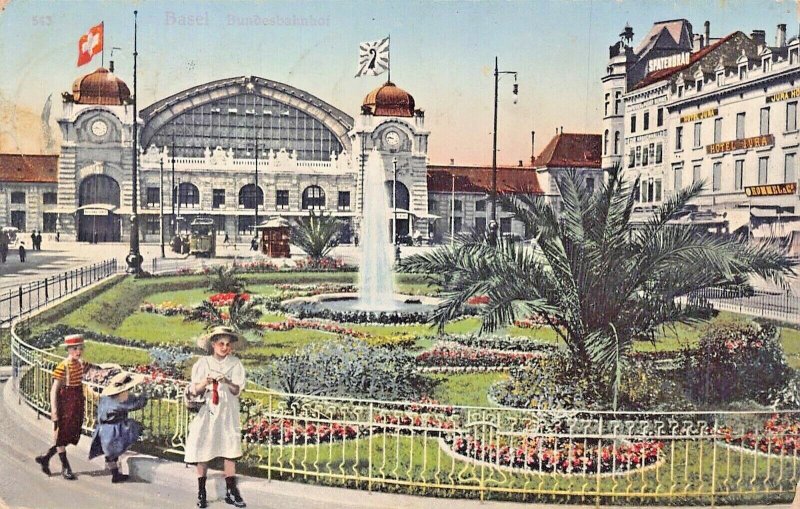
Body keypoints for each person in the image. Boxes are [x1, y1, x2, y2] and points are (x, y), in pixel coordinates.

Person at [185, 326, 247, 508]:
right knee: (203, 447)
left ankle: (231, 491)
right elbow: (195, 389)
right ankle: (202, 491)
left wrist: (227, 381)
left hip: (227, 411)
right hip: (208, 410)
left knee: (230, 449)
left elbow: (237, 391)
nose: (224, 347)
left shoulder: (235, 363)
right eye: (221, 343)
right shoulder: (203, 363)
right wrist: (207, 380)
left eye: (228, 344)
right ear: (213, 344)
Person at [35, 334, 88, 480]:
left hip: (76, 402)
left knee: (70, 434)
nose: (78, 351)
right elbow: (54, 389)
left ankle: (46, 458)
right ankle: (66, 467)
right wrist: (54, 410)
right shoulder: (63, 366)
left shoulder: (80, 364)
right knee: (61, 435)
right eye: (75, 349)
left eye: (80, 348)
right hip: (65, 403)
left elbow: (92, 370)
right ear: (69, 350)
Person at [89, 371, 148, 483]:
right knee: (135, 429)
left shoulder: (106, 397)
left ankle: (115, 474)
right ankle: (116, 475)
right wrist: (144, 395)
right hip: (113, 430)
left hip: (102, 430)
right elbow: (136, 404)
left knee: (110, 455)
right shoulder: (119, 401)